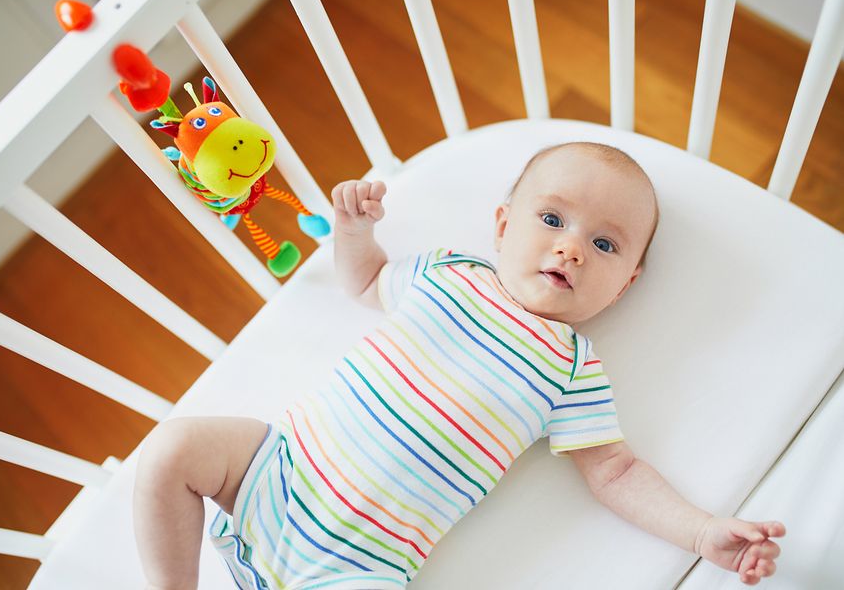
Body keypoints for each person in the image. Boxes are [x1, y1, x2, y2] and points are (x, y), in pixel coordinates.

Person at [133, 142, 785, 589]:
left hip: (361, 567)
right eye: (553, 218)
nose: (570, 248)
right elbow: (366, 284)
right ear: (502, 226)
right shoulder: (448, 274)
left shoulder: (571, 367)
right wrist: (352, 233)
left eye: (604, 243)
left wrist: (701, 531)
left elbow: (615, 471)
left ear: (625, 285)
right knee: (173, 447)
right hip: (274, 470)